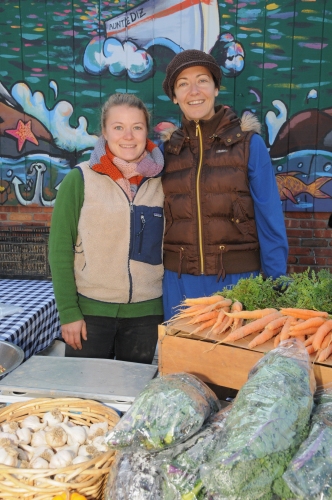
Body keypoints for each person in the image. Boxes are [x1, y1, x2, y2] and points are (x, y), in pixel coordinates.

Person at [161, 49, 288, 321]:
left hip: (237, 281)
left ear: (216, 88)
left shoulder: (249, 145)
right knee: (181, 361)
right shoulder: (166, 152)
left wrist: (276, 282)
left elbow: (270, 219)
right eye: (183, 83)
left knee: (232, 360)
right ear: (174, 96)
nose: (194, 90)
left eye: (202, 80)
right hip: (179, 282)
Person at [49, 93, 164, 363]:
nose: (128, 136)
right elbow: (59, 250)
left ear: (146, 132)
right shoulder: (79, 179)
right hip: (90, 313)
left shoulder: (163, 182)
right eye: (118, 127)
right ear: (104, 132)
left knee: (134, 396)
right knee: (83, 398)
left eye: (137, 127)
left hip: (145, 316)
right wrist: (69, 313)